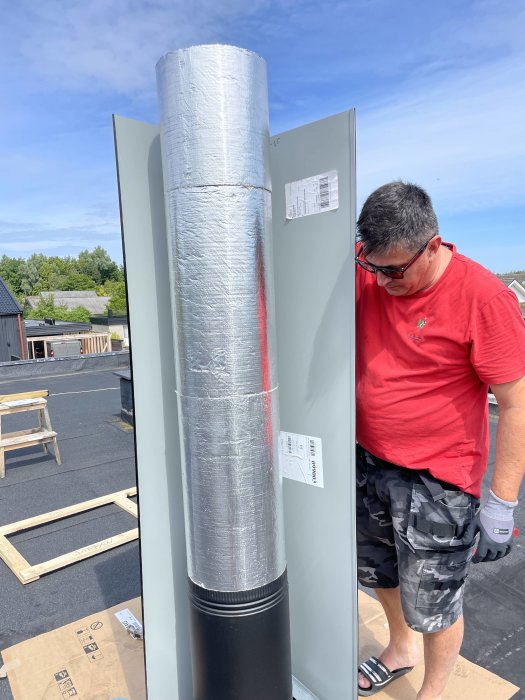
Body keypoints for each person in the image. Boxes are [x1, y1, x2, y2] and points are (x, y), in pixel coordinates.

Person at [355, 181, 525, 699]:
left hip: (438, 480)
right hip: (368, 460)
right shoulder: (371, 266)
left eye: (394, 271)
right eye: (372, 267)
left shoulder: (484, 297)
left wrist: (502, 503)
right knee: (375, 569)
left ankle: (433, 691)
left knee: (433, 600)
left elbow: (516, 406)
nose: (381, 282)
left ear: (433, 245)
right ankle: (400, 647)